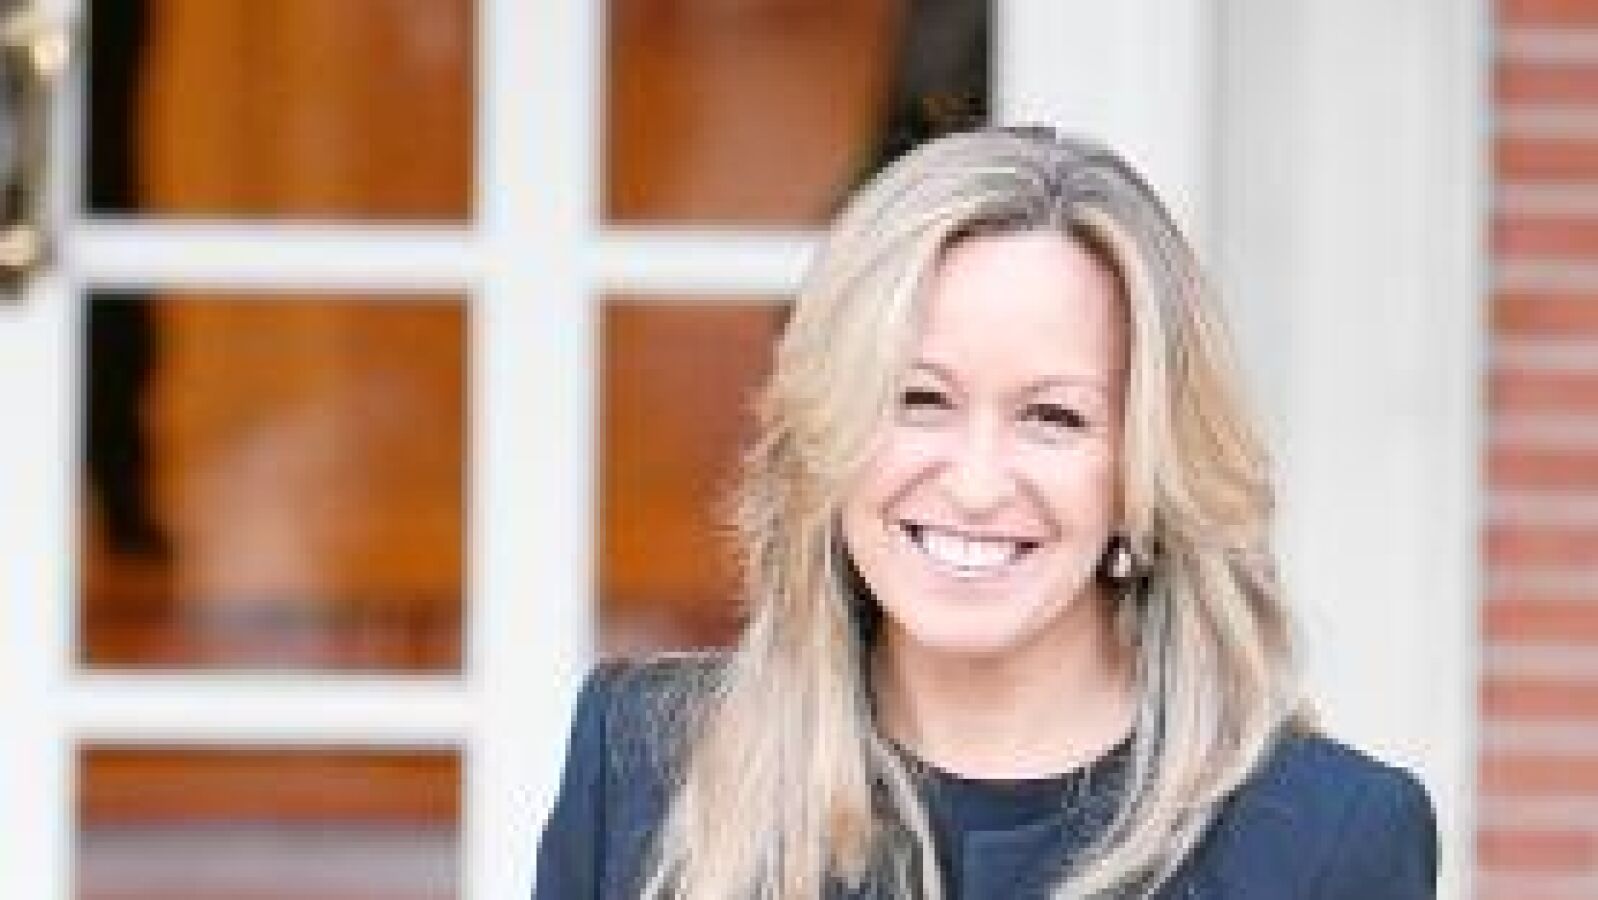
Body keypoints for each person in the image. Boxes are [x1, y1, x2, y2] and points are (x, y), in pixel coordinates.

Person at [533, 127, 1438, 899]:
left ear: (1147, 466)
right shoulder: (643, 768)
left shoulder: (1332, 841)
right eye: (920, 398)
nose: (974, 484)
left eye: (1054, 417)